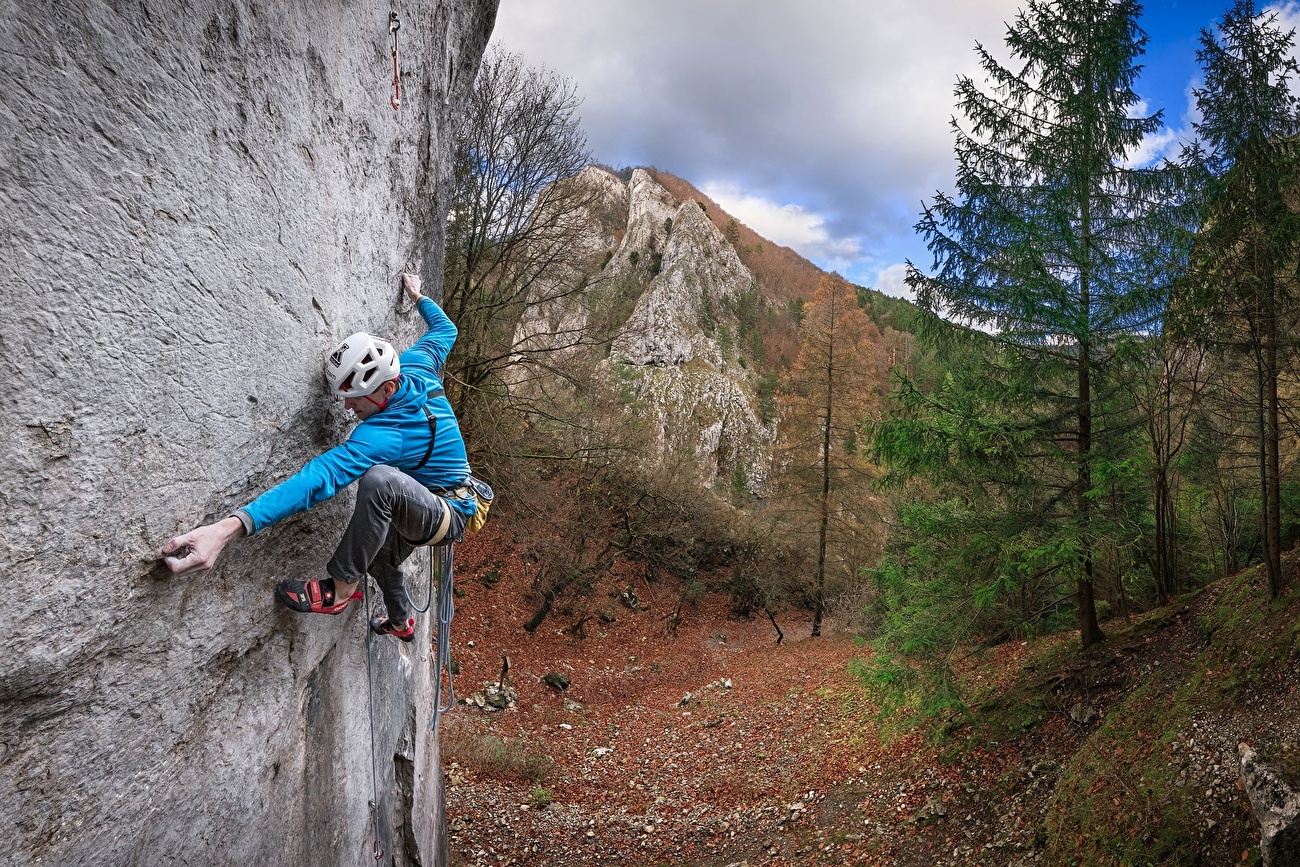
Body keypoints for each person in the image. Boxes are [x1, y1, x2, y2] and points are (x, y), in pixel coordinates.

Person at [163, 273, 476, 642]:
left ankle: (341, 591)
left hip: (449, 510)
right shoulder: (418, 362)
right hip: (426, 497)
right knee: (375, 555)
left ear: (388, 387)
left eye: (356, 397)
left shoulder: (382, 437)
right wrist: (419, 295)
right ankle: (401, 622)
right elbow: (446, 330)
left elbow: (317, 479)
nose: (347, 406)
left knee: (380, 481)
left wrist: (226, 529)